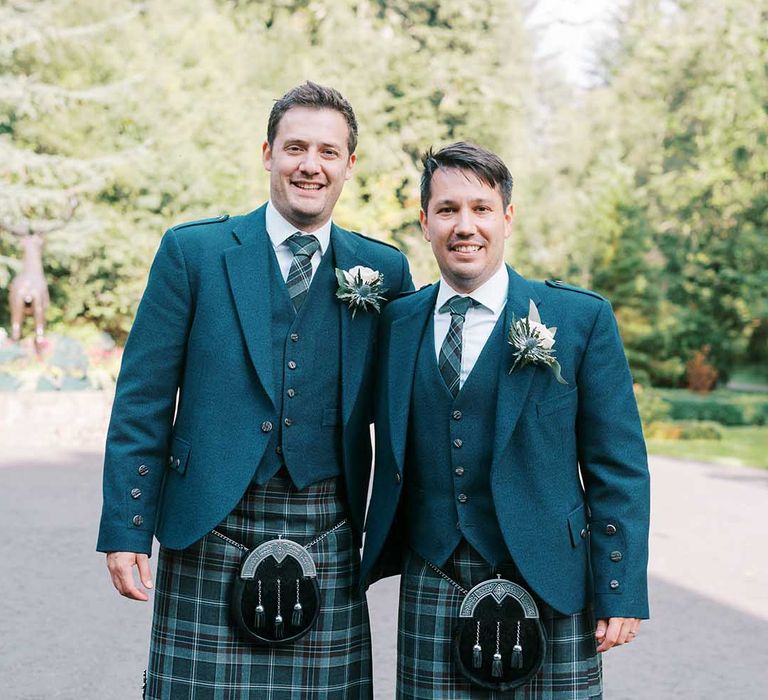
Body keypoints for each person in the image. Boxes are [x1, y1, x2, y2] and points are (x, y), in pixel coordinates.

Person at [97, 81, 413, 699]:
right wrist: (127, 526)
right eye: (296, 147)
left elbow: (408, 411)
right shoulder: (194, 252)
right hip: (207, 521)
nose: (310, 165)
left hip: (328, 523)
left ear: (351, 165)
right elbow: (143, 400)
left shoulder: (386, 271)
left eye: (328, 151)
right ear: (267, 153)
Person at [361, 142, 649, 698]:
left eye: (481, 208)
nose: (464, 225)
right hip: (434, 576)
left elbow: (619, 466)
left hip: (551, 579)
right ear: (424, 223)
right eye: (447, 210)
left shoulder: (578, 319)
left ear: (507, 218)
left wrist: (620, 586)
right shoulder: (395, 323)